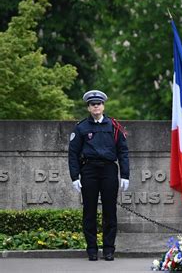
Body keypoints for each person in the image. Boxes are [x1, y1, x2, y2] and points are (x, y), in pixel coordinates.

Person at [68, 90, 130, 261]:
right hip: (89, 170)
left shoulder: (114, 126)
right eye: (92, 104)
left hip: (109, 170)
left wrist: (125, 174)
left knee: (110, 211)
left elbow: (123, 151)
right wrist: (75, 176)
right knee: (89, 211)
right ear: (88, 107)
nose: (96, 106)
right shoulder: (81, 127)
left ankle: (109, 249)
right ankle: (92, 249)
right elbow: (73, 154)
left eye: (99, 104)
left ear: (103, 106)